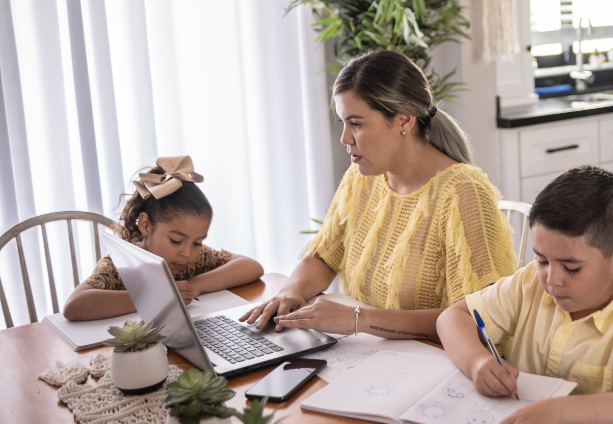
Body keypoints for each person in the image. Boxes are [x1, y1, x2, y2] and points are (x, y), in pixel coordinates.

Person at [240, 50, 518, 341]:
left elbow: (477, 317)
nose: (345, 138)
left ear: (403, 122)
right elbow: (324, 256)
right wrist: (290, 292)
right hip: (370, 353)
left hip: (436, 364)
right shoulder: (363, 177)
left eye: (356, 123)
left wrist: (358, 320)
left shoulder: (463, 193)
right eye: (343, 123)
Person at [436, 166, 613, 424]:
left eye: (572, 268)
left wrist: (561, 411)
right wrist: (477, 362)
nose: (551, 280)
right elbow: (453, 316)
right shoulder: (529, 282)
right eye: (542, 260)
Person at [63, 156, 264, 321]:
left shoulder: (195, 260)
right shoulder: (121, 264)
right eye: (176, 240)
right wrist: (156, 296)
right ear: (145, 225)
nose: (187, 253)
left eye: (197, 242)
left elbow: (251, 266)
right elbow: (75, 306)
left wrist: (196, 285)